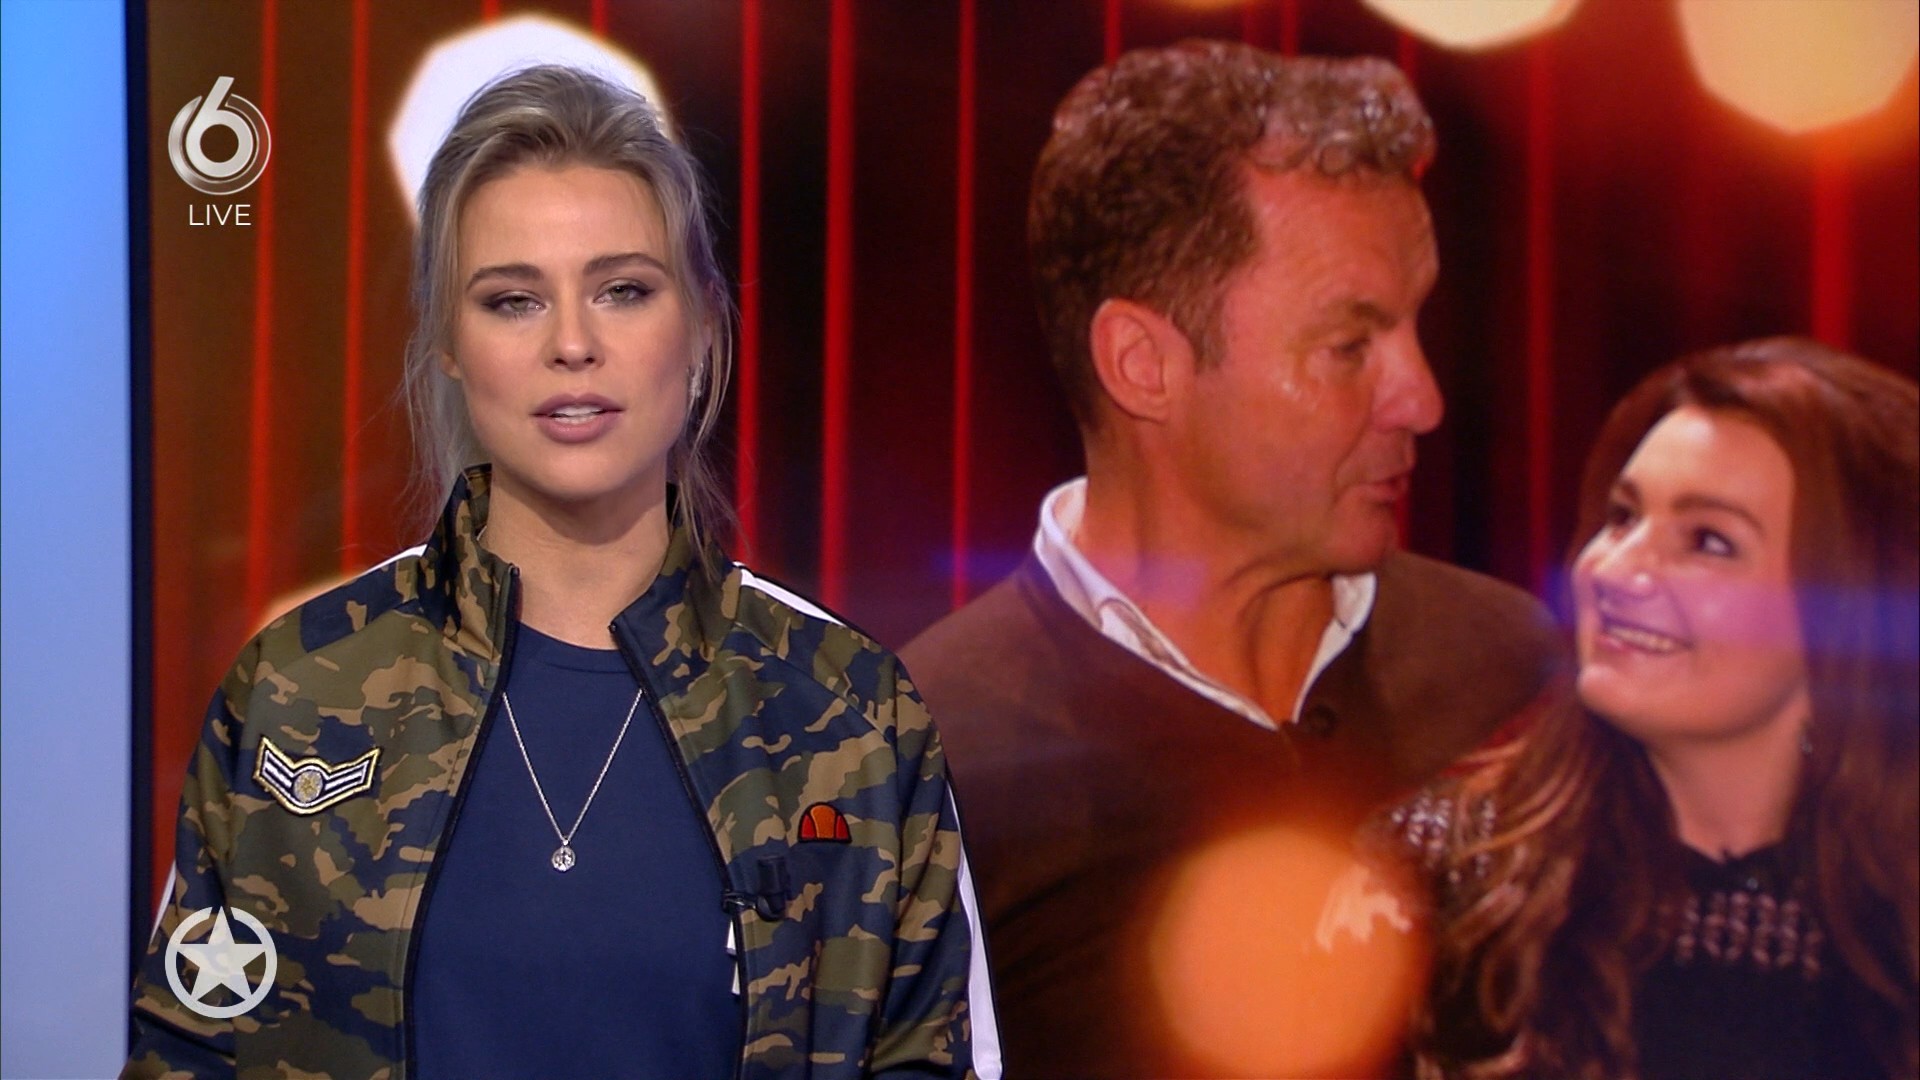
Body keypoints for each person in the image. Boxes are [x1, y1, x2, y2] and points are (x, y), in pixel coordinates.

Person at [126, 65, 996, 1079]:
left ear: (702, 326)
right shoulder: (296, 689)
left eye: (624, 290)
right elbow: (187, 1053)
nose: (573, 344)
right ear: (447, 344)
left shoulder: (853, 713)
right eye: (513, 300)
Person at [900, 41, 1565, 1077]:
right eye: (1350, 346)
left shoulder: (1510, 673)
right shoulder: (916, 773)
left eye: (1414, 326)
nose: (1423, 399)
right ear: (1144, 366)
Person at [1398, 338, 1919, 1079]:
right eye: (1622, 516)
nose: (1614, 569)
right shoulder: (1430, 879)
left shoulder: (1894, 926)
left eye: (1708, 541)